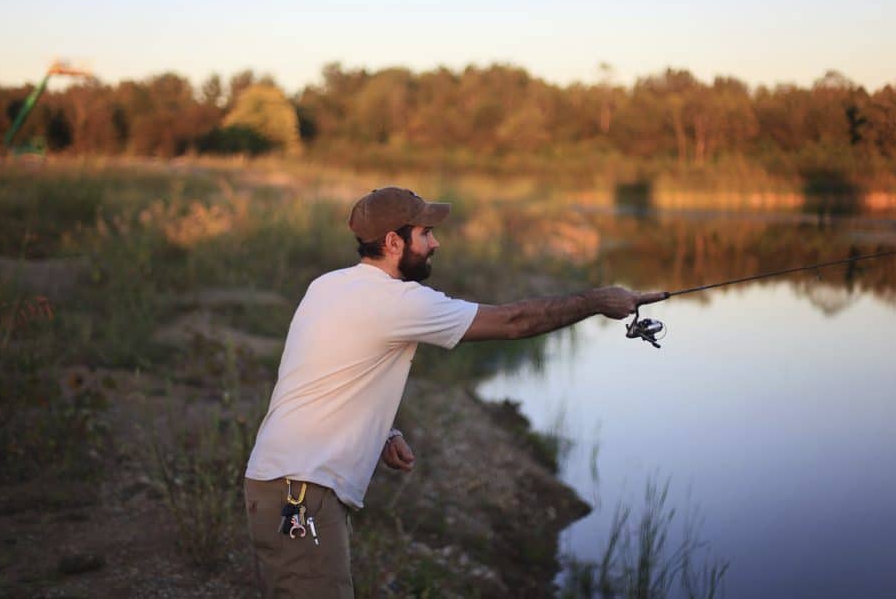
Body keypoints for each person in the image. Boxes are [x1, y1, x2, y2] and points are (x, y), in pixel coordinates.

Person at [243, 186, 665, 597]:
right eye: (425, 234)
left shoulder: (329, 285)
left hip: (283, 485)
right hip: (300, 494)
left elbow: (325, 371)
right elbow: (513, 322)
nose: (436, 243)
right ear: (393, 241)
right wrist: (596, 301)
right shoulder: (398, 301)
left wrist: (382, 431)